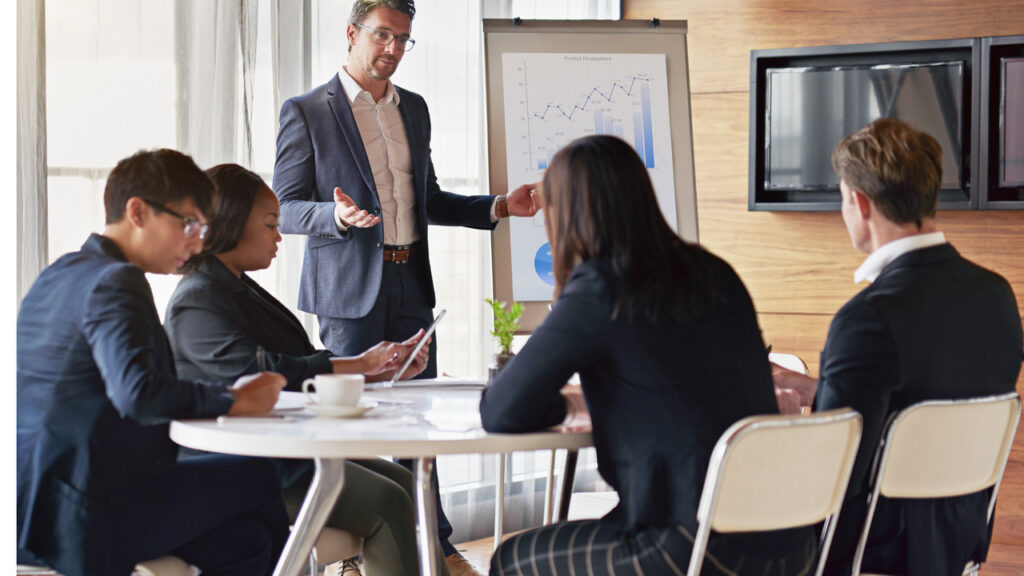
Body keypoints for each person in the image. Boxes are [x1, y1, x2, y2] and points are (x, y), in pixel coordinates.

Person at [272, 2, 538, 572]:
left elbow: (431, 199)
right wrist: (335, 217)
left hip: (410, 279)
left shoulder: (413, 109)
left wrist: (497, 206)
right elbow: (285, 209)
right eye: (383, 35)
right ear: (352, 34)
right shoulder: (306, 111)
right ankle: (352, 555)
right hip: (347, 290)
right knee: (353, 425)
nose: (392, 49)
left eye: (403, 39)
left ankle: (435, 547)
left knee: (420, 420)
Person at [479, 135, 817, 575]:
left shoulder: (600, 286)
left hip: (695, 547)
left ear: (569, 214)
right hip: (790, 540)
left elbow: (502, 408)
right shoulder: (714, 271)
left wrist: (569, 403)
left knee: (512, 560)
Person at [17, 149, 290, 576]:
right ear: (138, 212)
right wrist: (234, 400)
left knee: (247, 542)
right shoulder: (116, 281)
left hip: (26, 504)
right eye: (189, 224)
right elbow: (137, 394)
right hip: (79, 511)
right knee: (258, 476)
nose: (199, 242)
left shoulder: (60, 272)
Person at [772, 118, 1023, 576]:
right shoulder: (997, 295)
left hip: (874, 553)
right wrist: (821, 388)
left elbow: (834, 476)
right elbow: (925, 399)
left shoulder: (868, 319)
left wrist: (789, 427)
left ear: (860, 203)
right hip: (959, 541)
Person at [165, 163, 435, 576]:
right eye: (271, 224)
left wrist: (374, 370)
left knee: (401, 484)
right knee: (388, 503)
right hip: (244, 466)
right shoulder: (197, 299)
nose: (279, 236)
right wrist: (362, 364)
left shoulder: (235, 285)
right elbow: (265, 371)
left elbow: (300, 359)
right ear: (233, 222)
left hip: (284, 450)